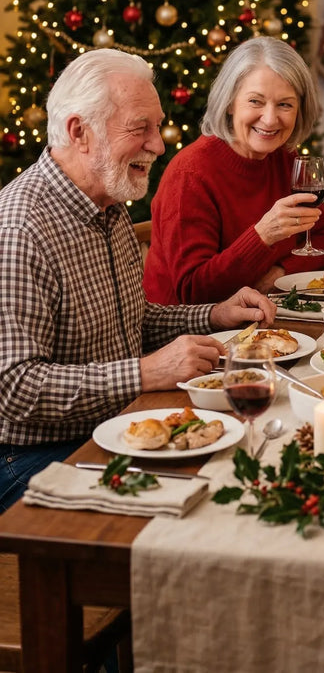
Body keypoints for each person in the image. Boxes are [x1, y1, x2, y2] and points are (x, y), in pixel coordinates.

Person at [0, 48, 276, 510]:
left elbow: (131, 321)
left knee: (248, 466)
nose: (159, 144)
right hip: (30, 458)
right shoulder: (19, 230)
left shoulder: (107, 205)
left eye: (158, 125)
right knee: (212, 502)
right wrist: (147, 372)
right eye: (140, 128)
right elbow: (14, 389)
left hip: (120, 425)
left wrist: (214, 314)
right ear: (78, 132)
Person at [143, 37, 324, 304]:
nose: (270, 119)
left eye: (285, 104)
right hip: (190, 335)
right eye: (256, 101)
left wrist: (278, 275)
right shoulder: (190, 174)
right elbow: (192, 291)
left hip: (263, 317)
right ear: (230, 102)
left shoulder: (285, 159)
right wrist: (263, 235)